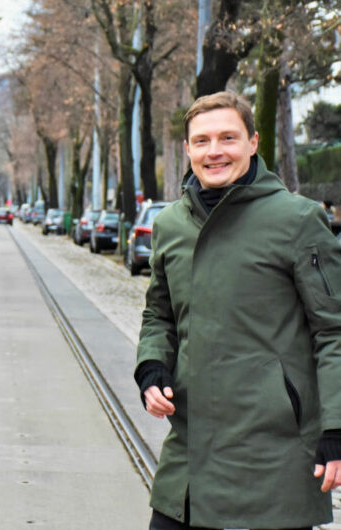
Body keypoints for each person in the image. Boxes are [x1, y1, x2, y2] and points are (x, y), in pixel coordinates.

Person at [135, 91, 341, 530]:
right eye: (202, 140)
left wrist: (336, 429)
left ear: (253, 142)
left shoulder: (298, 220)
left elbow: (334, 330)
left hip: (273, 456)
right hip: (189, 452)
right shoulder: (170, 223)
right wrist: (152, 366)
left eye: (228, 138)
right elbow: (159, 314)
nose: (214, 152)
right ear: (187, 149)